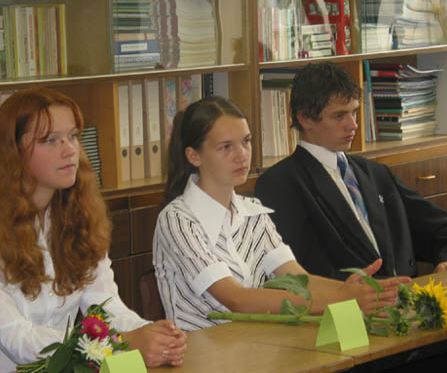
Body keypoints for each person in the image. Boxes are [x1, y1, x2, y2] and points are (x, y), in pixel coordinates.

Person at [0, 88, 187, 373]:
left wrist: (152, 334)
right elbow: (14, 336)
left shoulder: (77, 213)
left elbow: (105, 306)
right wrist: (123, 342)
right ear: (13, 152)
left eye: (73, 136)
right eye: (51, 140)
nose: (70, 150)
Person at [153, 96, 407, 332]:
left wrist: (365, 291)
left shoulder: (253, 212)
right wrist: (340, 298)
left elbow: (298, 278)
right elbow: (237, 300)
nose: (242, 155)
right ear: (194, 156)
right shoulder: (177, 220)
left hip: (259, 346)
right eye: (225, 147)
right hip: (203, 354)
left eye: (246, 141)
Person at [254, 62, 447, 280]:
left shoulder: (375, 173)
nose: (353, 125)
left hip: (406, 295)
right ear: (305, 118)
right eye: (339, 116)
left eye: (355, 112)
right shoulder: (281, 184)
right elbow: (302, 270)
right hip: (349, 299)